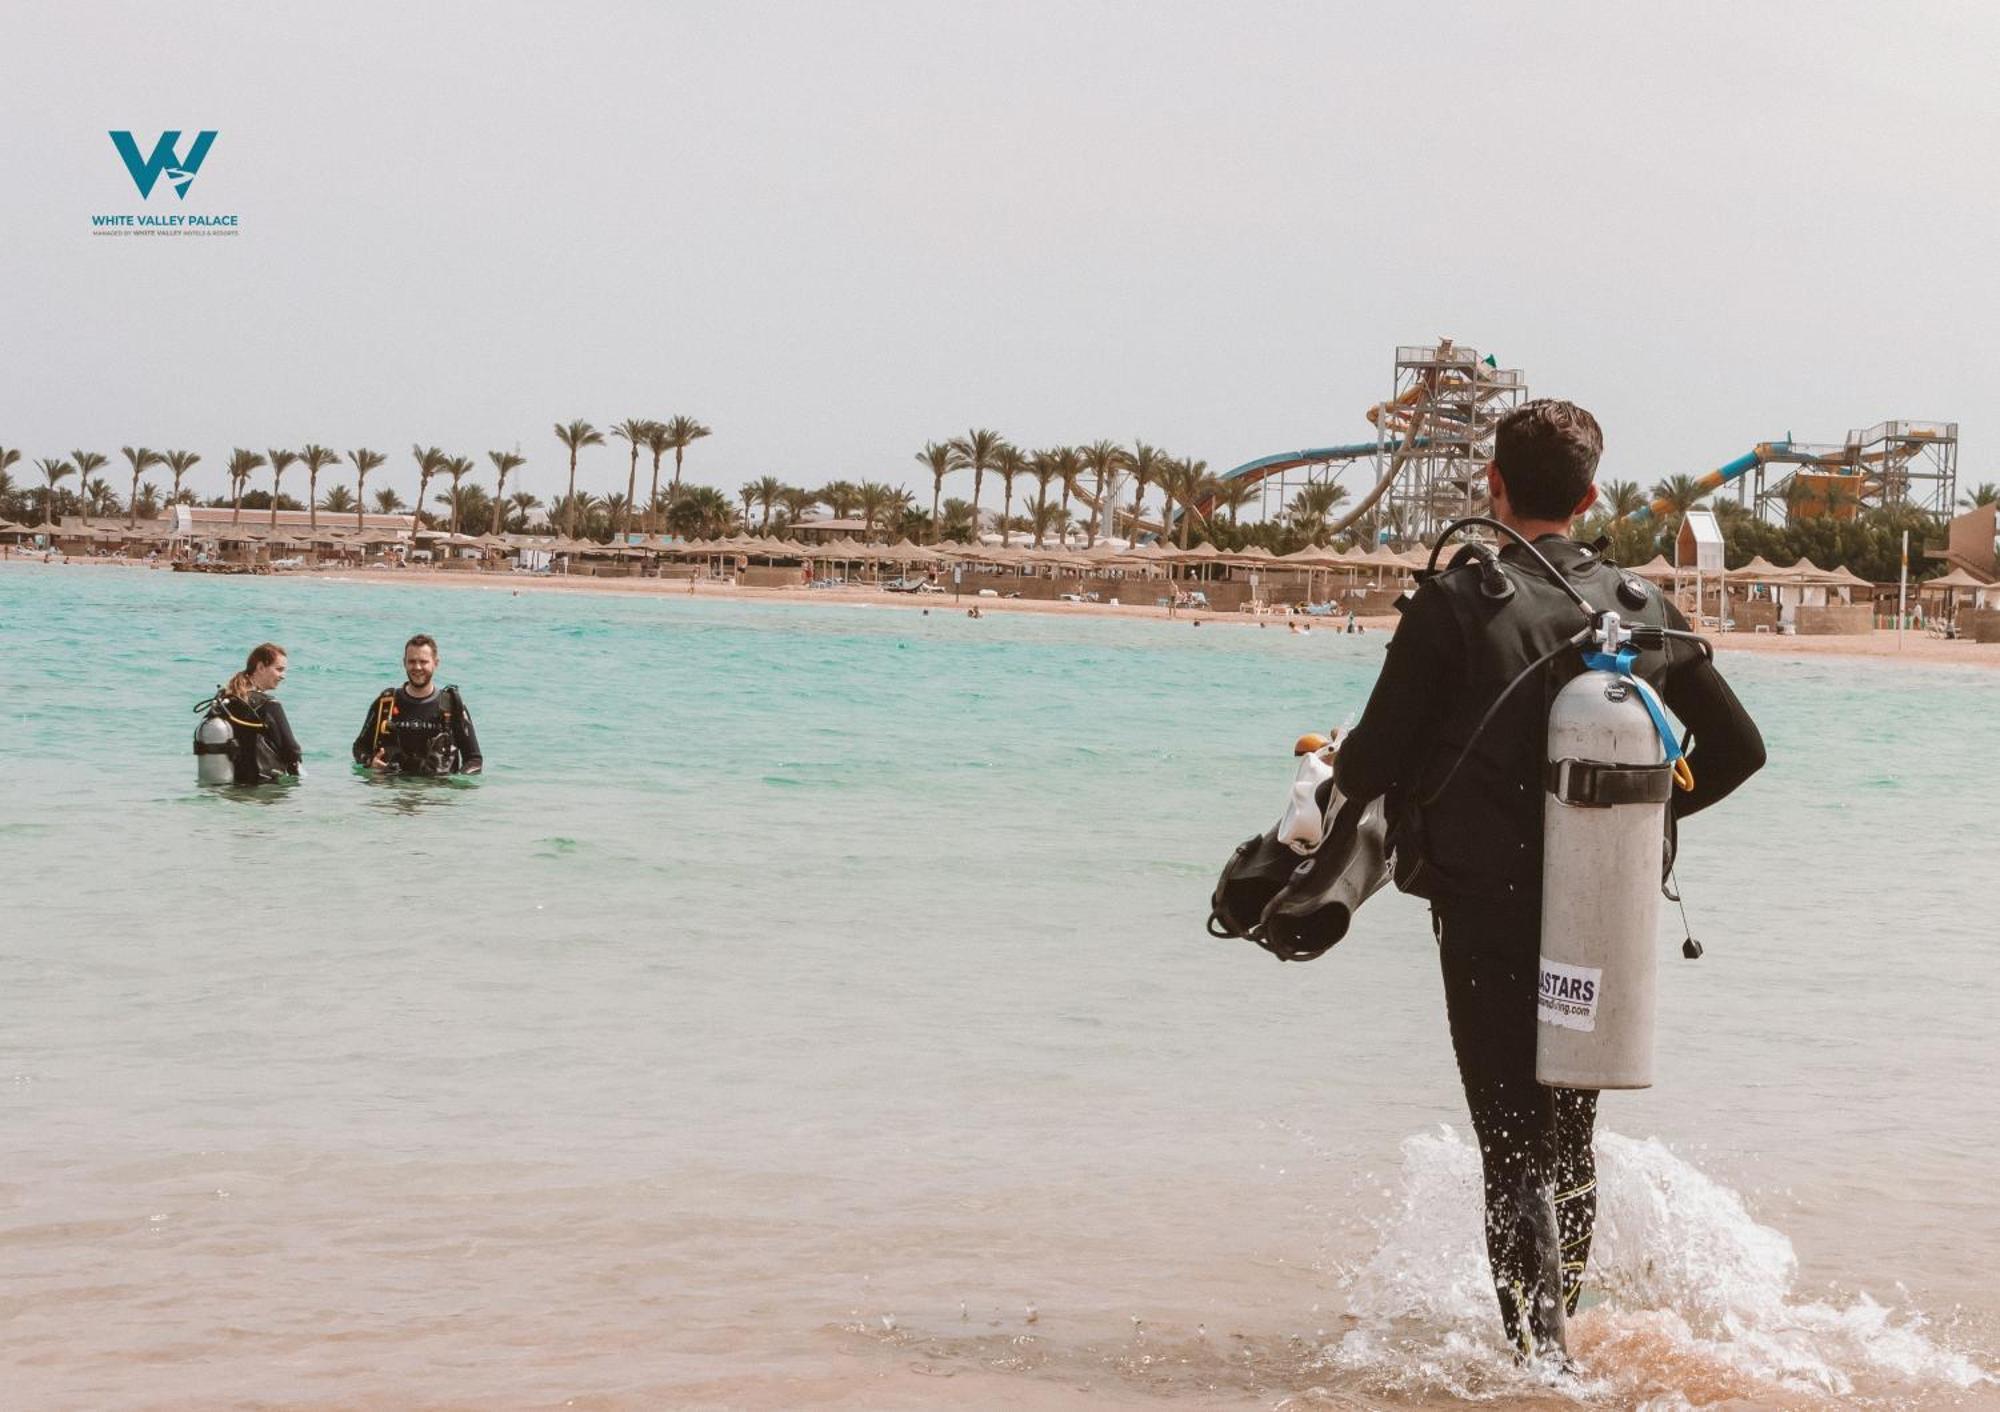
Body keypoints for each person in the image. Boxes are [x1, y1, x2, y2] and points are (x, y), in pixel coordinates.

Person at [1333, 400, 1765, 1365]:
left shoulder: (1458, 600)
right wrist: (1631, 820)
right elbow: (1740, 750)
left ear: (1491, 483)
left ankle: (1540, 1363)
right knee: (1571, 1132)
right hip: (1600, 918)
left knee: (1511, 1142)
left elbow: (1374, 761)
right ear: (1590, 493)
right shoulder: (1644, 611)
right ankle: (1558, 1332)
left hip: (1486, 914)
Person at [352, 634, 483, 775]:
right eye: (412, 661)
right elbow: (359, 747)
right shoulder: (386, 703)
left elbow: (474, 760)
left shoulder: (451, 705)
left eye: (423, 661)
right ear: (404, 663)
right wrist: (370, 762)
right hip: (392, 791)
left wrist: (456, 783)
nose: (417, 667)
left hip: (438, 792)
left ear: (436, 663)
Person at [212, 642, 304, 784]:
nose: (283, 676)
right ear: (260, 667)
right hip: (261, 788)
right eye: (279, 669)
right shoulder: (268, 705)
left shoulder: (225, 700)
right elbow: (292, 751)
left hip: (229, 785)